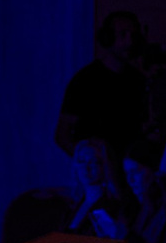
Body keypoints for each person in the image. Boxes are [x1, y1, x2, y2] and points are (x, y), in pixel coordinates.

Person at [56, 12, 150, 152]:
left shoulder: (138, 80)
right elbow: (62, 136)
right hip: (100, 170)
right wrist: (90, 161)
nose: (130, 42)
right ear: (107, 38)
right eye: (123, 34)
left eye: (133, 36)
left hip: (130, 168)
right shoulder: (85, 81)